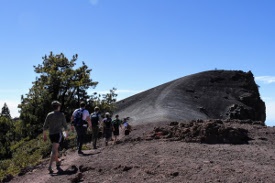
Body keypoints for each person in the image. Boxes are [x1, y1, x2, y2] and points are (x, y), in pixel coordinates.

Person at [43, 101, 68, 173]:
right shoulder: (61, 114)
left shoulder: (49, 115)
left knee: (55, 148)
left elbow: (44, 127)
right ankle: (49, 166)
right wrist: (66, 135)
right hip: (58, 134)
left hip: (51, 134)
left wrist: (44, 136)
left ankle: (57, 161)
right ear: (58, 107)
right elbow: (65, 126)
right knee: (54, 149)